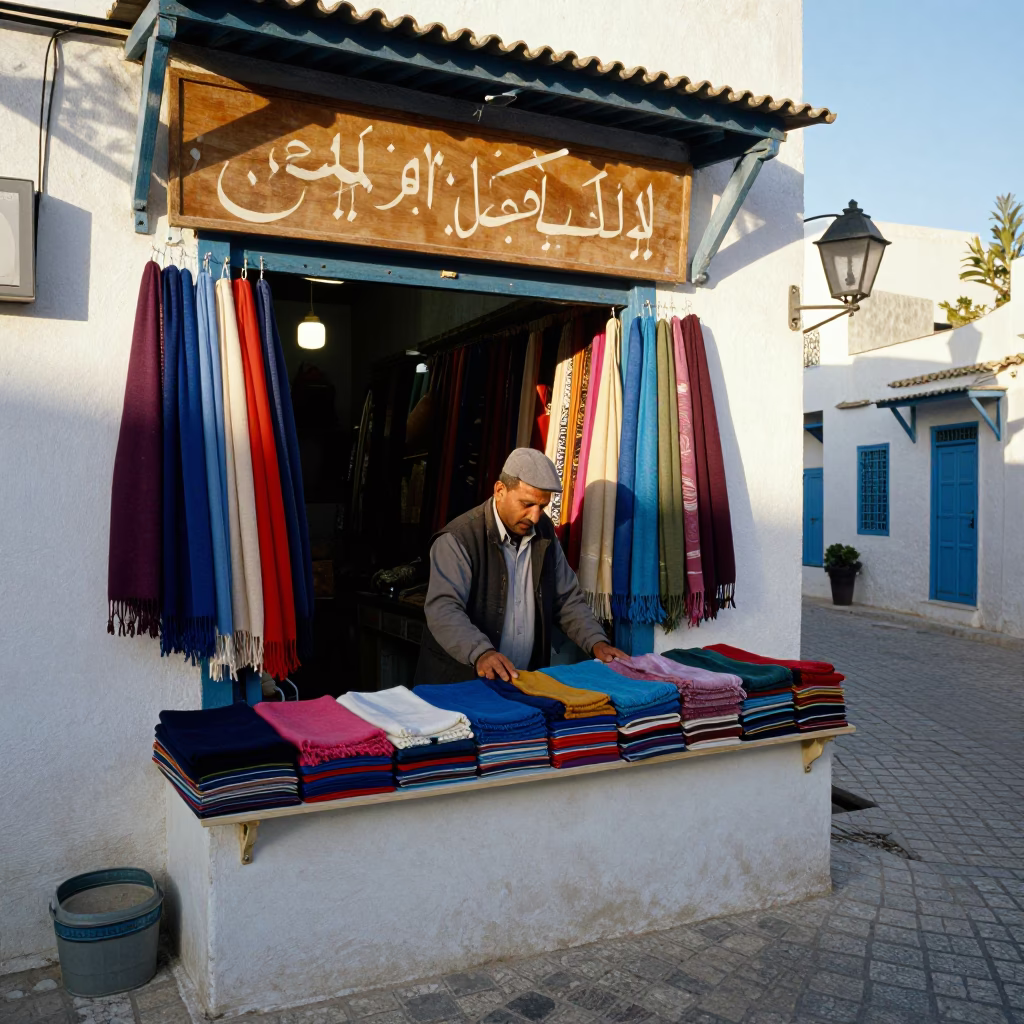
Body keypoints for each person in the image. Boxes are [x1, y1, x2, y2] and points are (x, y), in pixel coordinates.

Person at [414, 448, 627, 684]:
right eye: (527, 504)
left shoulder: (544, 532)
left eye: (542, 507)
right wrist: (481, 652)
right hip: (460, 684)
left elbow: (566, 599)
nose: (535, 516)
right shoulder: (458, 539)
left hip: (522, 683)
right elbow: (444, 609)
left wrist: (596, 641)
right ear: (499, 491)